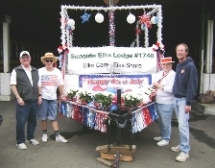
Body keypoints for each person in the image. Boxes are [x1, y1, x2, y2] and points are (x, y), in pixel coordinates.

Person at [171, 43, 198, 162]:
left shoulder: (190, 67)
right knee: (180, 124)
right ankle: (182, 145)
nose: (179, 52)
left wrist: (188, 103)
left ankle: (185, 151)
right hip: (176, 98)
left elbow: (192, 86)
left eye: (182, 50)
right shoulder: (179, 65)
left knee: (183, 125)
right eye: (178, 50)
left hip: (183, 100)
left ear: (186, 52)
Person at [10, 51, 40, 150]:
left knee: (32, 121)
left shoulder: (35, 70)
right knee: (21, 122)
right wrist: (18, 98)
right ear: (20, 60)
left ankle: (30, 138)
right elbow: (13, 85)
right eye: (23, 59)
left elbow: (39, 85)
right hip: (23, 101)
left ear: (30, 59)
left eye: (27, 58)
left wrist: (40, 95)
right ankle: (20, 141)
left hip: (34, 100)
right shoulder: (16, 70)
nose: (26, 60)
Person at [38, 52, 68, 143]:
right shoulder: (40, 71)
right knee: (43, 117)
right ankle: (44, 134)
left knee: (53, 117)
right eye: (47, 60)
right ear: (44, 62)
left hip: (53, 98)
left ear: (53, 62)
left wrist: (62, 95)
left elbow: (60, 85)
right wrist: (39, 95)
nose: (49, 62)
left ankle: (57, 135)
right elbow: (38, 85)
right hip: (43, 97)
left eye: (51, 60)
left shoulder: (57, 71)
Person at [153, 57, 176, 146]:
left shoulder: (173, 74)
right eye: (164, 64)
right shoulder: (160, 73)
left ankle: (166, 138)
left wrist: (159, 86)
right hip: (158, 100)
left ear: (171, 65)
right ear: (161, 65)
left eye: (168, 64)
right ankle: (162, 135)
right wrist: (155, 86)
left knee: (166, 121)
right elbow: (155, 83)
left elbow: (172, 89)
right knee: (160, 120)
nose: (166, 66)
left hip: (167, 102)